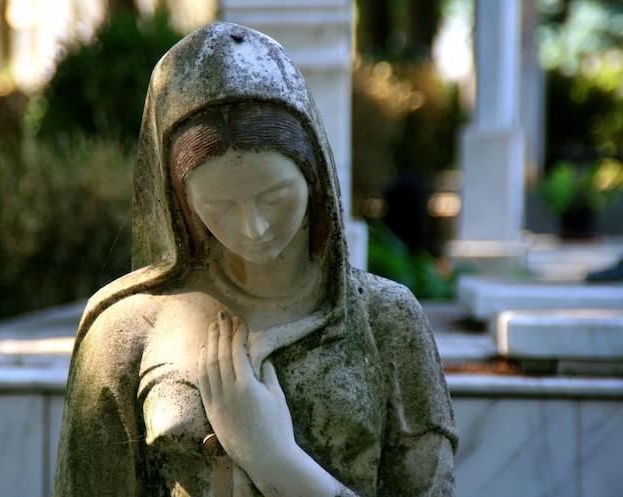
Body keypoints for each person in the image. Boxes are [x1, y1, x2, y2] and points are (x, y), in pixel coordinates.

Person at [53, 22, 457, 497]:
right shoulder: (126, 330)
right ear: (183, 204)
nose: (254, 227)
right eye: (220, 206)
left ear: (313, 175)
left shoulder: (387, 321)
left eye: (275, 196)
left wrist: (273, 458)